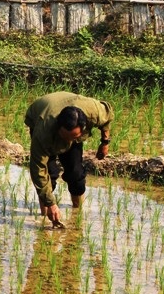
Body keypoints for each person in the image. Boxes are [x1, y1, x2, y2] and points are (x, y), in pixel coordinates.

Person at [24, 91, 113, 225]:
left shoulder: (93, 111)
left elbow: (108, 116)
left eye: (73, 136)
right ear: (58, 128)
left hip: (71, 114)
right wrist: (51, 204)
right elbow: (38, 170)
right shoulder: (43, 132)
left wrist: (105, 142)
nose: (67, 142)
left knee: (76, 174)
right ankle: (44, 216)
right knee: (50, 174)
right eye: (65, 137)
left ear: (82, 128)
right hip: (41, 113)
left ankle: (77, 214)